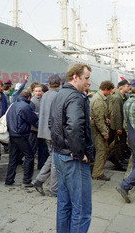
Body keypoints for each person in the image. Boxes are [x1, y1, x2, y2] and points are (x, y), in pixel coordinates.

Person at [50, 63, 94, 232]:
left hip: (60, 155)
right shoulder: (75, 97)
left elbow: (52, 123)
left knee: (64, 204)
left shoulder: (60, 94)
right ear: (76, 77)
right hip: (73, 158)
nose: (88, 82)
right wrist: (79, 152)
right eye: (86, 78)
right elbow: (74, 127)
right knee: (82, 209)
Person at [32, 74, 61, 196]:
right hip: (53, 133)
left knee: (52, 157)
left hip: (44, 132)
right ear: (59, 83)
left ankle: (39, 180)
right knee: (56, 161)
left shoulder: (45, 96)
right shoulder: (57, 95)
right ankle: (54, 189)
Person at [5, 89, 39, 187]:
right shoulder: (26, 107)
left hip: (12, 133)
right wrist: (36, 115)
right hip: (21, 134)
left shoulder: (14, 105)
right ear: (29, 97)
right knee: (29, 156)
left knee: (13, 158)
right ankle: (26, 180)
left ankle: (9, 180)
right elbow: (32, 120)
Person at [90, 80, 114, 180]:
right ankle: (97, 173)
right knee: (102, 150)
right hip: (97, 129)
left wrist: (105, 119)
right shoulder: (99, 100)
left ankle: (96, 169)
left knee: (102, 150)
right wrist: (105, 132)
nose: (110, 93)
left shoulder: (98, 97)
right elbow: (98, 119)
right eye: (110, 91)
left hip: (95, 127)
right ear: (105, 89)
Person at [109, 79, 131, 171]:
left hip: (121, 124)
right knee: (118, 145)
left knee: (120, 144)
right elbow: (117, 113)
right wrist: (119, 127)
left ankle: (118, 159)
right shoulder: (117, 98)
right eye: (127, 86)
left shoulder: (123, 96)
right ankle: (117, 162)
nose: (129, 88)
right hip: (118, 125)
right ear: (122, 87)